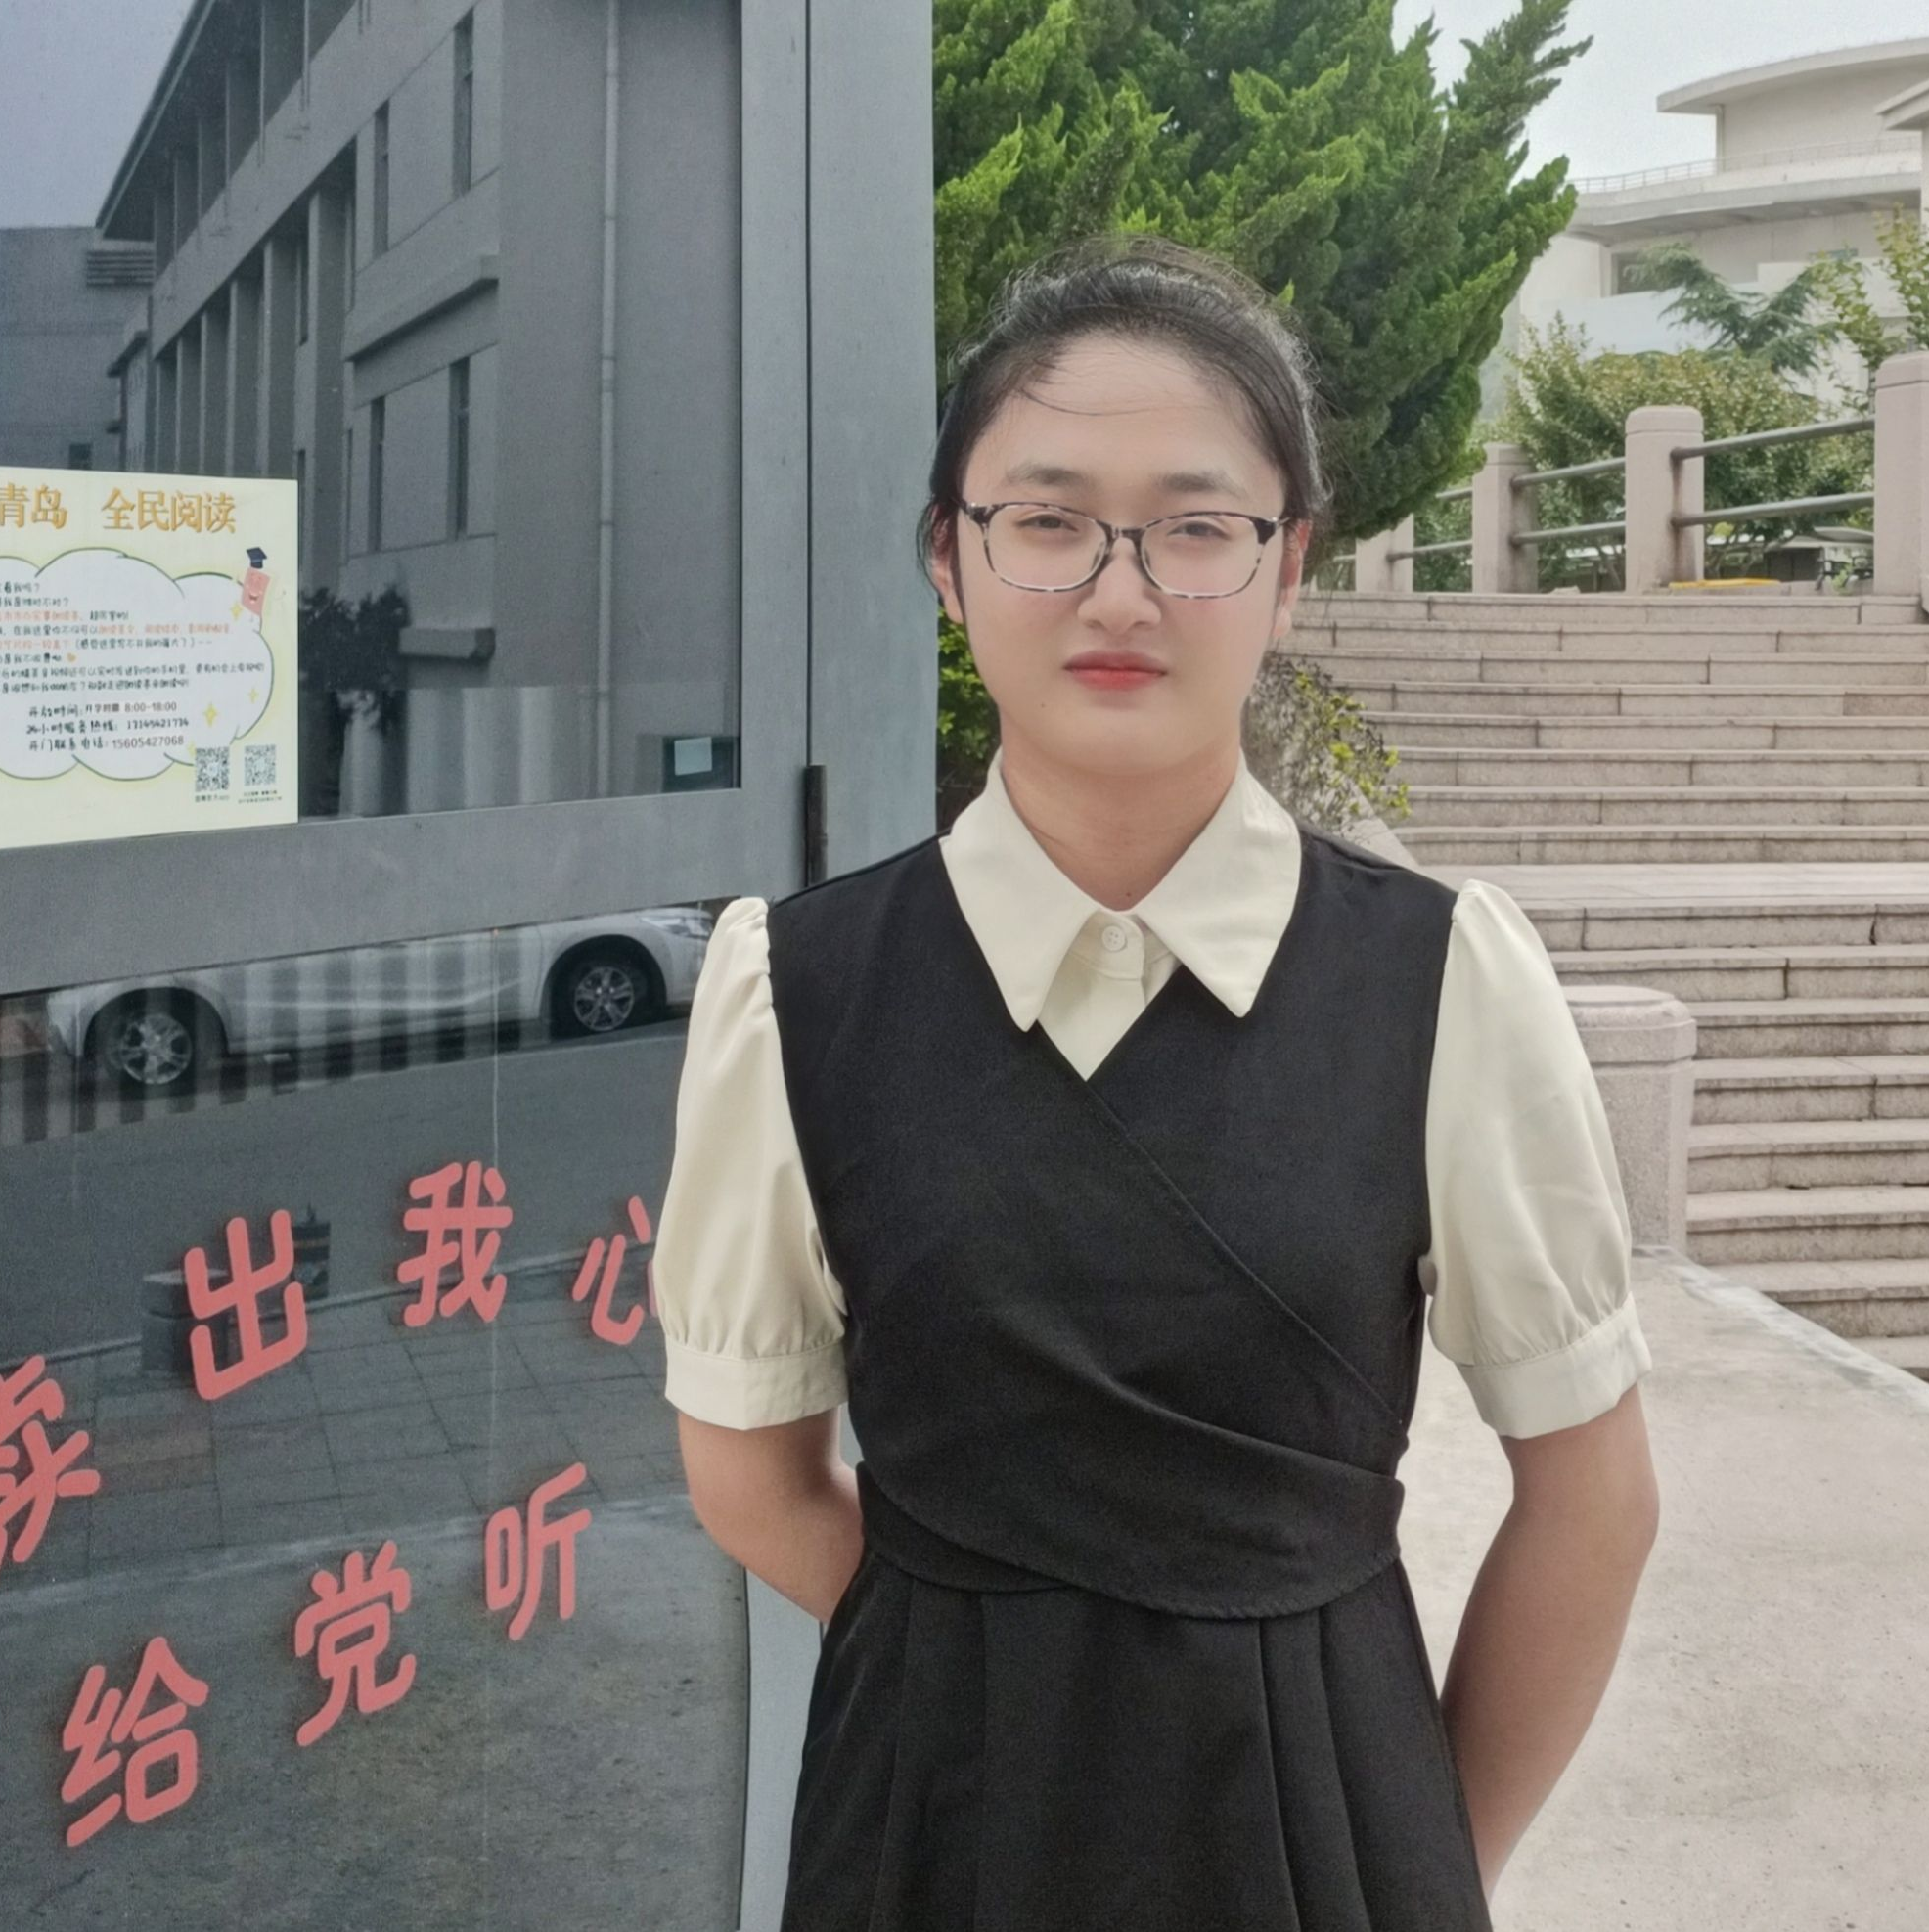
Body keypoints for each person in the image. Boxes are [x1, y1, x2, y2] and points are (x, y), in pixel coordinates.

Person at [652, 231, 1661, 1930]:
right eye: (1046, 522)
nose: (1118, 594)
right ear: (949, 560)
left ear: (1287, 568)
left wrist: (1416, 1858)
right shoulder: (793, 986)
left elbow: (1593, 1496)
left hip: (1327, 1834)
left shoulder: (1440, 978)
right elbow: (746, 1471)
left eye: (1195, 529)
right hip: (928, 1838)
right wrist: (984, 1661)